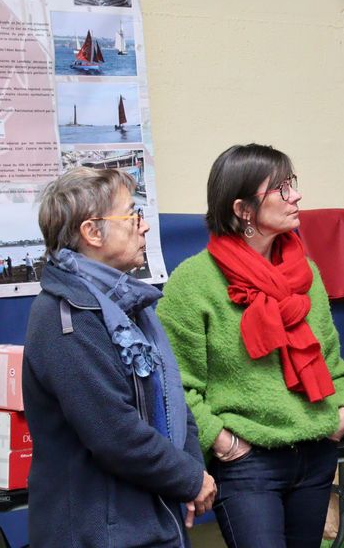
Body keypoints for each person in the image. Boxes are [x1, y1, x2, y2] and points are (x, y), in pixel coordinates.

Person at [157, 143, 344, 548]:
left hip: (315, 453)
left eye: (293, 184)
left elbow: (332, 362)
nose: (296, 195)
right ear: (243, 210)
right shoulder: (193, 283)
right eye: (281, 189)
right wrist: (223, 442)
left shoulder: (306, 274)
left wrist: (342, 414)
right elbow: (174, 385)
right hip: (249, 464)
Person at [23, 167, 216, 547]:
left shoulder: (129, 305)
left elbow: (173, 400)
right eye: (132, 216)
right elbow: (114, 432)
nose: (144, 226)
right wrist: (189, 478)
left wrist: (193, 472)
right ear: (92, 233)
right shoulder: (65, 318)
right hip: (99, 534)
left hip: (152, 520)